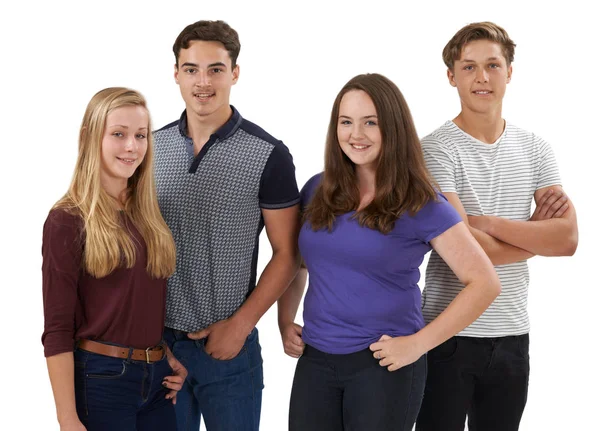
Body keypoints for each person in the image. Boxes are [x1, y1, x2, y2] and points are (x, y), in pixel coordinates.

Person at [277, 73, 502, 431]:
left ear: (393, 128)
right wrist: (285, 318)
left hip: (383, 364)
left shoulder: (421, 202)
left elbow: (484, 282)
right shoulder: (318, 189)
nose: (356, 134)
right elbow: (301, 261)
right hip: (316, 359)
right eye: (346, 122)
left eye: (371, 123)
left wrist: (417, 345)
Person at [415, 22, 579, 431]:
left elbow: (568, 239)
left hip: (512, 332)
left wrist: (484, 223)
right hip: (446, 331)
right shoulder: (434, 149)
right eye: (469, 67)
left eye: (492, 65)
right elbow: (465, 249)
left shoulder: (536, 148)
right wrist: (535, 238)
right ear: (451, 76)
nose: (482, 77)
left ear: (510, 71)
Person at [154, 20, 301, 431]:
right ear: (176, 73)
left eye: (216, 69)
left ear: (235, 73)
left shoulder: (269, 154)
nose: (203, 81)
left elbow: (288, 254)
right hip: (158, 347)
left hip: (230, 350)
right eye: (191, 69)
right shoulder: (150, 147)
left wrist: (241, 326)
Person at [41, 87, 187, 431]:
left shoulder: (148, 214)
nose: (131, 147)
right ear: (91, 137)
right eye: (118, 134)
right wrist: (66, 418)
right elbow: (57, 329)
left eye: (140, 135)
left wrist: (162, 355)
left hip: (157, 384)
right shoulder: (67, 219)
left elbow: (137, 302)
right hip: (102, 379)